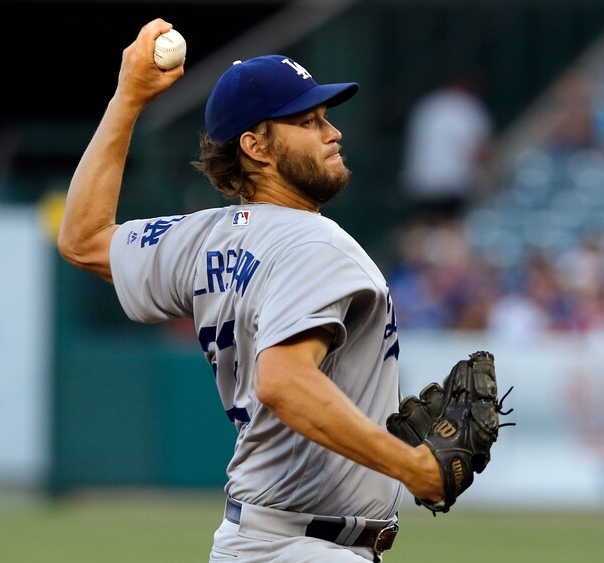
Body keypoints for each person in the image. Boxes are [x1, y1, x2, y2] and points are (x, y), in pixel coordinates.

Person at [57, 19, 442, 563]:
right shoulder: (318, 244)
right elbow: (283, 381)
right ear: (256, 147)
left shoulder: (205, 237)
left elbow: (84, 238)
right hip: (306, 547)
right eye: (308, 121)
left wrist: (128, 96)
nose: (333, 133)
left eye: (326, 118)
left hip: (252, 539)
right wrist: (413, 467)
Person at [399, 68, 495, 223]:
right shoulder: (466, 107)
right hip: (451, 185)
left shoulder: (426, 104)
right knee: (449, 231)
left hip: (420, 183)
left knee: (425, 229)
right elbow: (478, 152)